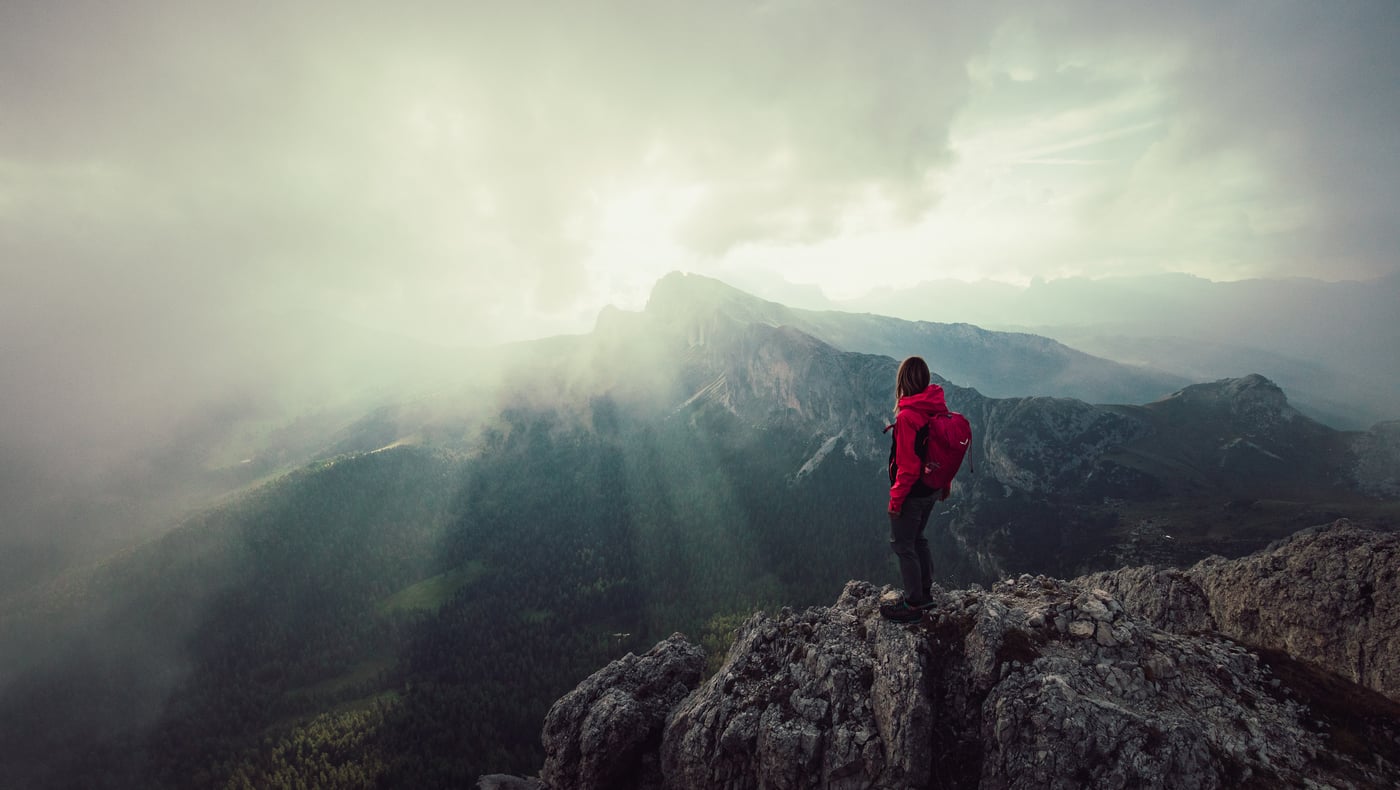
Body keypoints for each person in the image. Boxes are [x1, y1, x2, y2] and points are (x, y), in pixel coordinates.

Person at [879, 356, 951, 622]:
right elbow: (943, 452)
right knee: (918, 537)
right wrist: (945, 484)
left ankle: (913, 603)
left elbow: (907, 468)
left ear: (903, 382)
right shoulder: (937, 408)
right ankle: (925, 591)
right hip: (932, 489)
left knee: (902, 544)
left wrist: (895, 501)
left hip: (914, 493)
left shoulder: (909, 416)